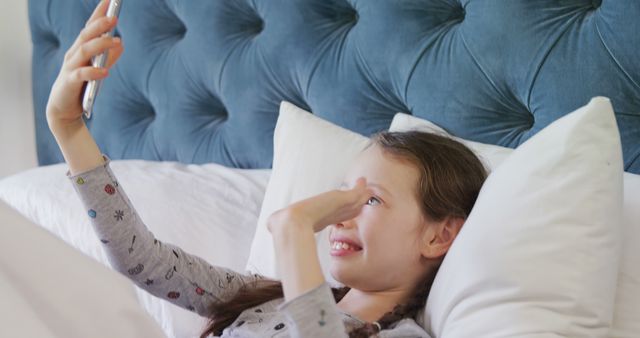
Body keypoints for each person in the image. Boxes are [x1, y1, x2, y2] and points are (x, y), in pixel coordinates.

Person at [47, 1, 488, 337]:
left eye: (368, 199)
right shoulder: (265, 298)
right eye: (340, 194)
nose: (337, 215)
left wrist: (296, 228)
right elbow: (145, 262)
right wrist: (68, 130)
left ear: (439, 235)